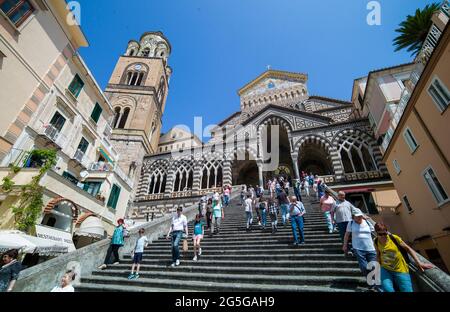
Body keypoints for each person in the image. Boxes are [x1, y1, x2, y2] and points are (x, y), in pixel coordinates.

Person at [374, 222, 434, 292]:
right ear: (376, 233)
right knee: (387, 289)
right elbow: (378, 254)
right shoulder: (376, 241)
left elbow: (408, 249)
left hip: (400, 269)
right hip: (385, 268)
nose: (383, 236)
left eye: (384, 233)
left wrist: (419, 263)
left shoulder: (394, 238)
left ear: (387, 232)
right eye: (380, 234)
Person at [343, 209, 379, 291]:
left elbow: (374, 232)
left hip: (370, 247)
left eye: (360, 216)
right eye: (357, 216)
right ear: (353, 217)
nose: (359, 218)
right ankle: (372, 284)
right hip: (358, 248)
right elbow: (347, 234)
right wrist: (345, 245)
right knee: (364, 267)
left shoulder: (366, 222)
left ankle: (376, 283)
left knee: (373, 266)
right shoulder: (351, 223)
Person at [332, 191, 355, 256]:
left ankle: (354, 249)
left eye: (343, 195)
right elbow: (332, 212)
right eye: (341, 195)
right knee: (343, 236)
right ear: (338, 196)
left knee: (352, 235)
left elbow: (354, 210)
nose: (342, 196)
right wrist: (332, 219)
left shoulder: (348, 203)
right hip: (340, 221)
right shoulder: (335, 203)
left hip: (349, 221)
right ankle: (347, 249)